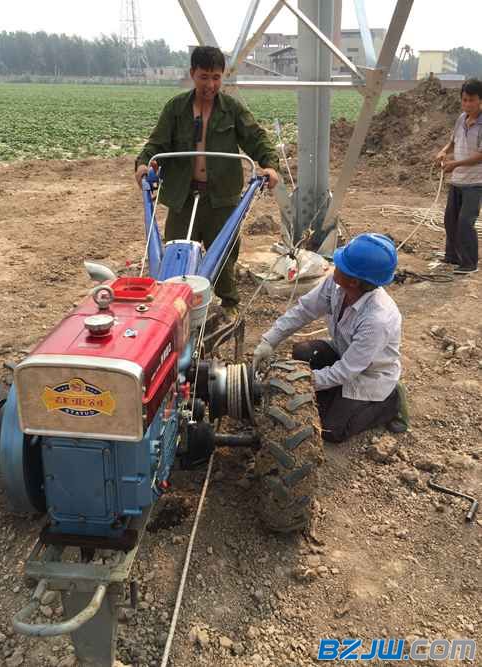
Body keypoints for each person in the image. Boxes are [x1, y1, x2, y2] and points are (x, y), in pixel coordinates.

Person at [135, 46, 280, 318]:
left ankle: (229, 304)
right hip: (183, 197)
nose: (210, 84)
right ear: (192, 74)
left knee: (223, 254)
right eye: (204, 77)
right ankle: (174, 309)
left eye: (216, 77)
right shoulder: (176, 109)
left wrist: (270, 166)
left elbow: (256, 138)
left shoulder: (232, 110)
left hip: (221, 197)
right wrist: (144, 164)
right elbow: (156, 144)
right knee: (176, 255)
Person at [254, 233, 407, 443]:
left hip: (369, 374)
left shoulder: (377, 320)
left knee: (329, 430)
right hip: (343, 352)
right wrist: (269, 341)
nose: (335, 265)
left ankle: (390, 402)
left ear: (354, 281)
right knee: (303, 352)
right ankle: (336, 397)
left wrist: (302, 383)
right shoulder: (336, 286)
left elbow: (346, 371)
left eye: (341, 264)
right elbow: (304, 310)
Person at [435, 78, 482, 275]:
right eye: (464, 100)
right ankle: (452, 256)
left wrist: (455, 164)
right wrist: (444, 151)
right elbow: (452, 142)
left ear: (481, 100)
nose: (467, 104)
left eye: (471, 100)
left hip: (475, 182)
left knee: (465, 221)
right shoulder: (461, 119)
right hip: (458, 180)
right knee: (450, 220)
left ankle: (469, 262)